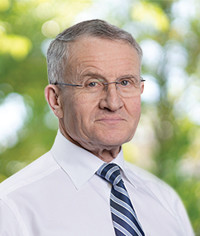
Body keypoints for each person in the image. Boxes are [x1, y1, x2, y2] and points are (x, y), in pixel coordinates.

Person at [0, 19, 194, 236]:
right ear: (55, 100)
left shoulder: (166, 201)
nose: (113, 103)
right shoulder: (11, 208)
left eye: (125, 83)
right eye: (92, 84)